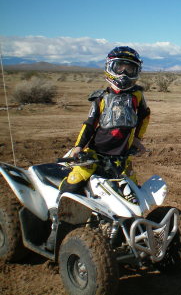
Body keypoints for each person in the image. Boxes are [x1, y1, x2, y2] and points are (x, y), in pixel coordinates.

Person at [46, 46, 151, 251]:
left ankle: (131, 234)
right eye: (119, 67)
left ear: (136, 71)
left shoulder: (137, 96)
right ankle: (56, 227)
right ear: (109, 67)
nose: (124, 73)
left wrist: (138, 139)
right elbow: (89, 124)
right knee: (73, 185)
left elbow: (144, 116)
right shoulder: (101, 97)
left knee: (134, 195)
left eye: (130, 69)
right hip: (94, 155)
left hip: (121, 158)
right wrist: (78, 147)